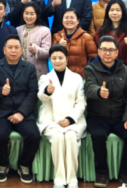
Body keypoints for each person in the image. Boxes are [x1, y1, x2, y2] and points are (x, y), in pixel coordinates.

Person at [84, 36, 127, 188]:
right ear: (99, 51)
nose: (107, 53)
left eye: (111, 50)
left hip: (120, 117)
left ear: (117, 52)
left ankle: (125, 173)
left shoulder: (126, 71)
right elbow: (89, 88)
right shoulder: (90, 68)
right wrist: (99, 91)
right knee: (98, 136)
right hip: (97, 117)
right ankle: (102, 173)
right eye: (104, 50)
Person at [0, 35, 40, 184]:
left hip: (23, 112)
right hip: (1, 111)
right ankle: (2, 165)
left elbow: (32, 93)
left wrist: (21, 113)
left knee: (34, 136)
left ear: (21, 50)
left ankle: (24, 165)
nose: (13, 50)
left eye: (16, 47)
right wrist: (1, 91)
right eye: (10, 47)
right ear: (4, 50)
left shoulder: (29, 67)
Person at [37, 45, 87, 188]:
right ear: (50, 60)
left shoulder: (77, 78)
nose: (57, 61)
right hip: (51, 119)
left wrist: (70, 119)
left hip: (73, 120)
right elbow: (41, 97)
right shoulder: (45, 78)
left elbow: (81, 102)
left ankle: (72, 179)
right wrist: (47, 91)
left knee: (70, 137)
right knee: (58, 137)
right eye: (54, 58)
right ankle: (59, 179)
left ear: (67, 59)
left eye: (60, 58)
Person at [95, 0, 127, 73]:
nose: (114, 13)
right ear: (107, 12)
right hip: (104, 69)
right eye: (112, 10)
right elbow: (95, 52)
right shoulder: (101, 31)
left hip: (125, 71)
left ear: (123, 12)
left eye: (118, 10)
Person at [52, 9, 97, 78]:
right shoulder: (57, 36)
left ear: (78, 21)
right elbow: (52, 57)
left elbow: (94, 59)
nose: (69, 20)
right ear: (62, 20)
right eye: (66, 17)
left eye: (72, 17)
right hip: (60, 77)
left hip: (81, 78)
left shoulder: (86, 37)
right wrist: (59, 46)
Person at [16, 2, 51, 78]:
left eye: (32, 14)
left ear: (37, 15)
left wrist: (36, 50)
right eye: (26, 13)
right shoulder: (18, 30)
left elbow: (48, 53)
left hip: (39, 73)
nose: (28, 16)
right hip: (20, 72)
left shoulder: (45, 30)